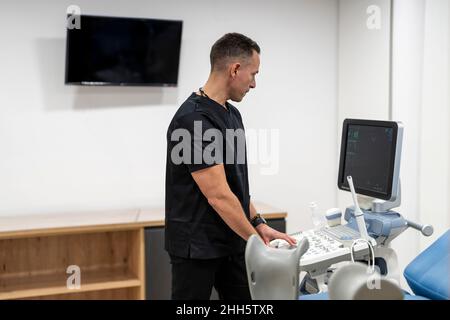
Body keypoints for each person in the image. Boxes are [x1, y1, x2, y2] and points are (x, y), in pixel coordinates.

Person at [165, 32, 296, 300]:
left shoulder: (231, 113)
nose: (254, 84)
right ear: (235, 69)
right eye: (253, 74)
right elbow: (219, 197)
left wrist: (259, 224)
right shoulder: (193, 121)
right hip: (196, 248)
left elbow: (234, 187)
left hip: (232, 241)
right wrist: (257, 245)